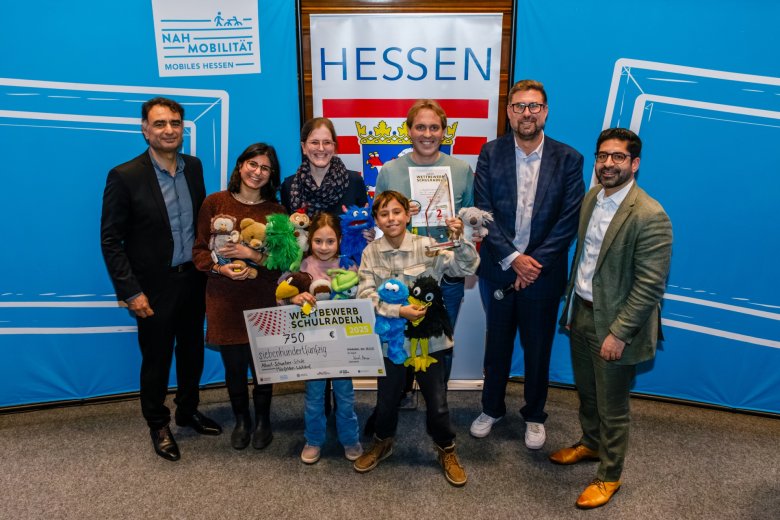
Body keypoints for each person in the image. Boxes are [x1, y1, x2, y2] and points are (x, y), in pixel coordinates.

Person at [550, 128, 672, 509]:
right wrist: (572, 307)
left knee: (612, 406)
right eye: (602, 156)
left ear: (634, 164)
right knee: (587, 393)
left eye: (618, 157)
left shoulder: (650, 215)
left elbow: (650, 286)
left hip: (616, 327)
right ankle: (590, 444)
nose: (608, 163)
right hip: (583, 314)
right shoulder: (592, 199)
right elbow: (583, 260)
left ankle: (609, 475)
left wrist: (619, 334)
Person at [100, 97, 221, 462]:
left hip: (193, 280)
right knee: (156, 359)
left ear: (183, 127)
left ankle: (187, 410)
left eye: (175, 123)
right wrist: (130, 291)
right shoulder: (125, 176)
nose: (169, 130)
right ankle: (158, 423)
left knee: (192, 351)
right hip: (153, 288)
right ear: (145, 129)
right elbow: (111, 240)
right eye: (160, 123)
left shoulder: (194, 167)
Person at [471, 80, 584, 450]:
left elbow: (568, 219)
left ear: (545, 111)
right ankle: (491, 408)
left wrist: (533, 264)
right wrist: (514, 259)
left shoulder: (568, 159)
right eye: (519, 106)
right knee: (497, 347)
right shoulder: (491, 153)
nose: (527, 113)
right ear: (509, 112)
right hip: (499, 268)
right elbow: (483, 210)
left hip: (544, 274)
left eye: (534, 106)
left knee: (538, 349)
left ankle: (534, 415)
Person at [354, 191, 479, 487]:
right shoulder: (371, 252)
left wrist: (460, 240)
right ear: (377, 220)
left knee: (437, 403)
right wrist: (398, 311)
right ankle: (382, 442)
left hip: (429, 340)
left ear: (408, 214)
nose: (391, 219)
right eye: (384, 214)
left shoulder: (427, 246)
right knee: (386, 400)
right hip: (393, 342)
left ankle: (446, 449)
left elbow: (466, 268)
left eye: (396, 212)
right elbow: (364, 295)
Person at [192, 143, 286, 451]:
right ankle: (242, 420)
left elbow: (283, 263)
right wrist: (220, 268)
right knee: (234, 368)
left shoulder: (277, 212)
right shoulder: (214, 202)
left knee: (264, 368)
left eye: (265, 168)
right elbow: (199, 252)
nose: (257, 172)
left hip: (263, 298)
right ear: (240, 165)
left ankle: (263, 421)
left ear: (272, 175)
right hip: (224, 299)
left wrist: (252, 255)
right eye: (252, 164)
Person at [375, 98, 475, 383]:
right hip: (400, 274)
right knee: (400, 339)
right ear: (409, 130)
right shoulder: (390, 171)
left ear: (444, 131)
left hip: (446, 276)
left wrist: (462, 229)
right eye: (420, 127)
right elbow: (379, 222)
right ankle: (402, 395)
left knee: (441, 344)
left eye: (434, 127)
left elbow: (471, 221)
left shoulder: (461, 170)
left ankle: (437, 401)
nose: (427, 134)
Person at [281, 212, 363, 464]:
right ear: (309, 241)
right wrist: (293, 297)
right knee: (314, 397)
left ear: (339, 240)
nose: (324, 247)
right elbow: (280, 295)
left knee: (345, 396)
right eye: (318, 241)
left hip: (342, 345)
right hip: (313, 345)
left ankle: (350, 439)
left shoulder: (349, 265)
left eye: (330, 241)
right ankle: (314, 440)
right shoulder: (302, 266)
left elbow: (360, 299)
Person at [281, 117, 368, 217]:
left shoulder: (355, 182)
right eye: (314, 142)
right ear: (303, 147)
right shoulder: (289, 186)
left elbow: (365, 222)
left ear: (334, 147)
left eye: (327, 142)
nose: (321, 148)